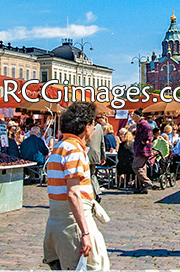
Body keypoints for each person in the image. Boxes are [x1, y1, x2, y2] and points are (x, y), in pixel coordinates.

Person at [42, 102, 109, 270]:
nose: (95, 128)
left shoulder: (59, 147)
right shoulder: (74, 150)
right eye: (94, 124)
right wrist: (85, 232)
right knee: (93, 266)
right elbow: (73, 194)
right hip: (73, 223)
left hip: (56, 223)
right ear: (86, 126)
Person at [129, 110, 154, 195]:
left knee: (136, 167)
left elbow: (148, 133)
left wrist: (144, 141)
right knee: (142, 168)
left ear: (138, 116)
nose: (133, 118)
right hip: (140, 149)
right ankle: (142, 187)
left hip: (142, 150)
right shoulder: (140, 124)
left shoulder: (143, 124)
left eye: (134, 116)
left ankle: (147, 182)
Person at [86, 116, 107, 200]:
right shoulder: (99, 128)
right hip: (96, 154)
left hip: (87, 153)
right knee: (92, 174)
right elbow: (102, 143)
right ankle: (96, 192)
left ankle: (95, 194)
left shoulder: (87, 127)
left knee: (89, 175)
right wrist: (103, 156)